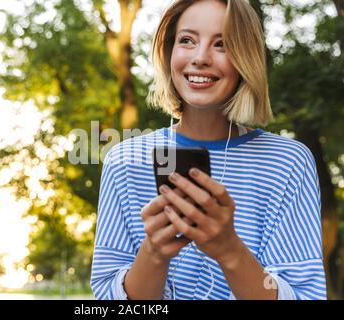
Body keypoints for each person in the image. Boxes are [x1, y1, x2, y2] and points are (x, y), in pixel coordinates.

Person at [90, 0, 326, 300]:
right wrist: (154, 252)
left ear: (245, 58)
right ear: (168, 52)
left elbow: (306, 295)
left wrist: (229, 250)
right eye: (187, 40)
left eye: (222, 44)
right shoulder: (123, 162)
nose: (200, 58)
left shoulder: (288, 163)